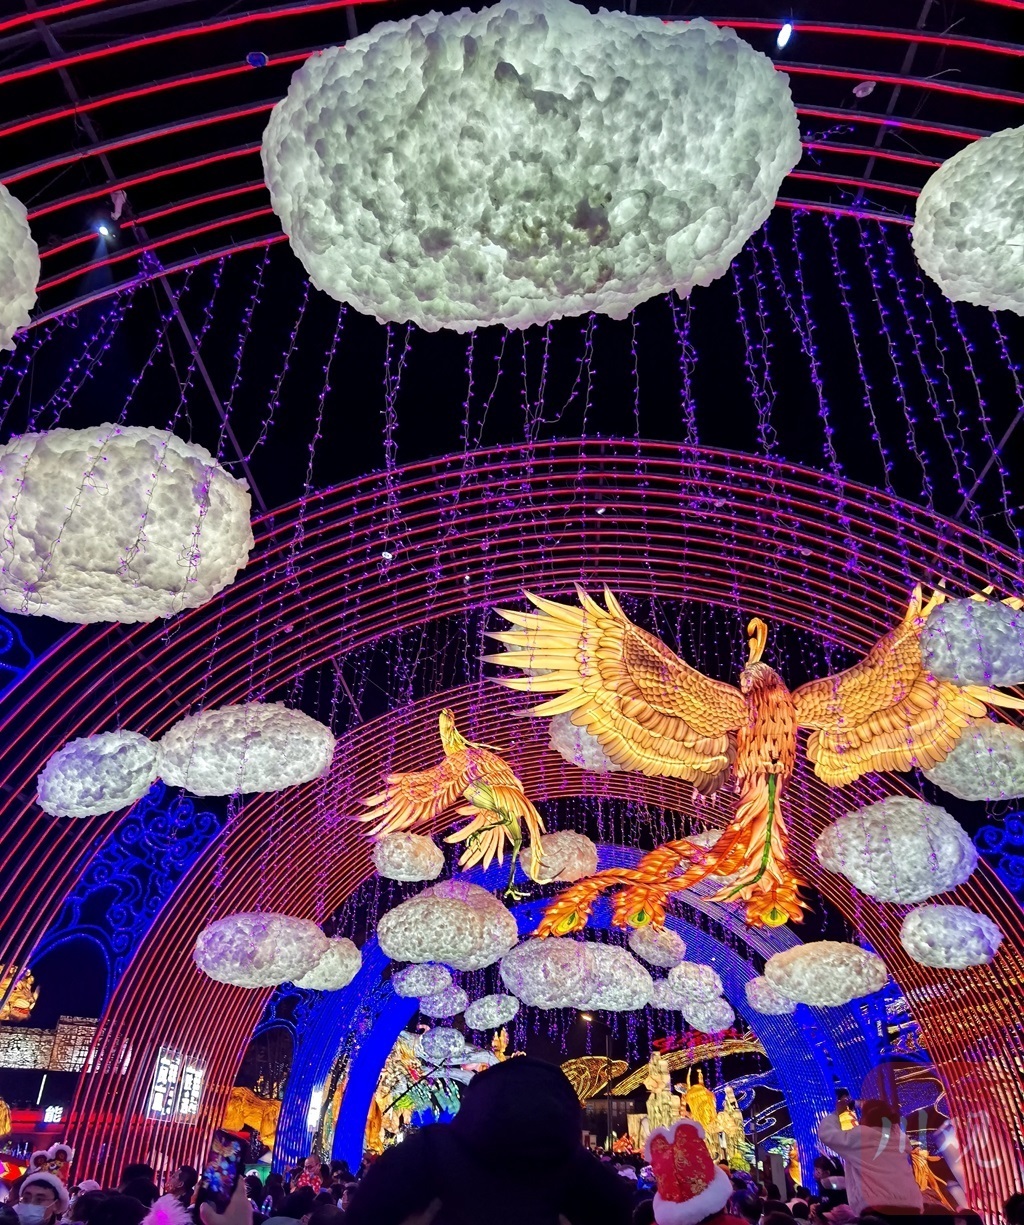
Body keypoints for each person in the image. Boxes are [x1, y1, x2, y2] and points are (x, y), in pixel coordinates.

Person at [343, 1056, 633, 1225]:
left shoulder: (428, 1154)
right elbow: (617, 1208)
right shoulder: (581, 1173)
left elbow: (367, 1211)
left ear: (478, 1099)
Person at [817, 1099, 921, 1218]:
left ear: (866, 1119)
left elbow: (827, 1134)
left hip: (879, 1207)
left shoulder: (861, 1137)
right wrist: (865, 1105)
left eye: (862, 1116)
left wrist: (837, 1113)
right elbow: (889, 1122)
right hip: (912, 1205)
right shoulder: (898, 1139)